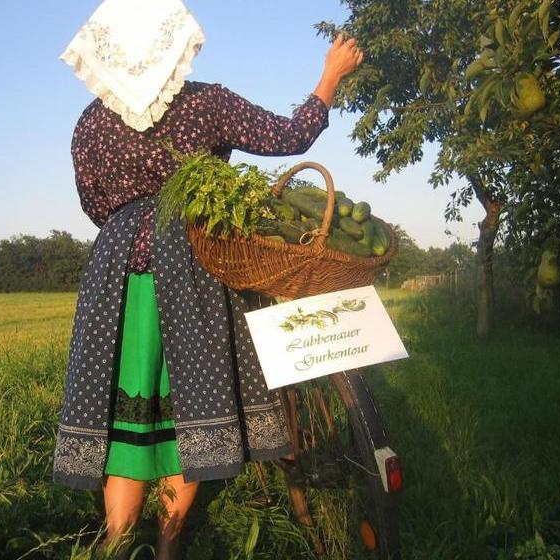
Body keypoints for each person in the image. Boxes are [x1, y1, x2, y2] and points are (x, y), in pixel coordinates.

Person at [52, 1, 362, 558]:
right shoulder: (206, 103)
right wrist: (330, 76)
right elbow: (288, 138)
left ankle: (118, 546)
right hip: (191, 267)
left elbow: (93, 202)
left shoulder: (90, 124)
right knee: (191, 407)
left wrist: (132, 230)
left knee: (126, 412)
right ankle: (169, 545)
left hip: (115, 275)